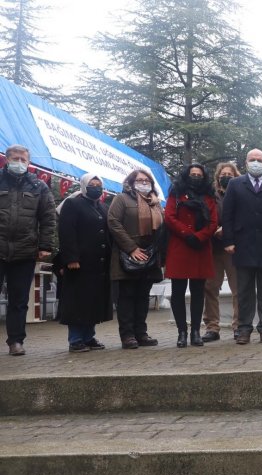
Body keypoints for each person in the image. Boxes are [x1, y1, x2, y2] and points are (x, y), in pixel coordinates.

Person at [222, 148, 262, 345]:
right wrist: (228, 241)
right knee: (244, 291)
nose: (256, 162)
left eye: (260, 160)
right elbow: (228, 215)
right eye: (253, 159)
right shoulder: (235, 184)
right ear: (245, 163)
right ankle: (244, 329)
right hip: (243, 245)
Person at [0, 145, 56, 356]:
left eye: (24, 159)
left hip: (24, 251)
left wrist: (45, 246)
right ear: (6, 159)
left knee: (19, 300)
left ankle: (16, 341)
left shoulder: (38, 186)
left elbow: (48, 217)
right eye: (16, 158)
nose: (20, 162)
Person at [108, 169, 164, 349]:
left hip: (150, 254)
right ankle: (127, 335)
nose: (143, 182)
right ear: (131, 182)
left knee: (142, 297)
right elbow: (113, 222)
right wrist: (131, 248)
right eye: (139, 180)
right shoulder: (121, 199)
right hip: (128, 254)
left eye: (147, 180)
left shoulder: (155, 202)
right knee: (126, 296)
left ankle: (141, 333)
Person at [164, 163, 218, 348]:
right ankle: (182, 332)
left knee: (198, 292)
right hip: (180, 246)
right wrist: (187, 234)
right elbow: (169, 216)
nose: (196, 177)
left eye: (199, 174)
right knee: (177, 291)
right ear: (186, 175)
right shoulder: (176, 194)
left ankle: (196, 331)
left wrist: (200, 236)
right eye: (192, 174)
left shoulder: (209, 197)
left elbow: (213, 221)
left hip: (200, 247)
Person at [57, 173, 112, 352]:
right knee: (77, 301)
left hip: (99, 264)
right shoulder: (72, 204)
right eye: (92, 184)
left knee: (93, 301)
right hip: (79, 263)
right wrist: (71, 258)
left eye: (98, 184)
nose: (96, 187)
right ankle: (75, 339)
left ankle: (89, 337)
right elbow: (66, 232)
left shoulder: (103, 207)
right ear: (83, 185)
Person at [202, 162, 241, 342]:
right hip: (213, 248)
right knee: (210, 288)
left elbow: (245, 217)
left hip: (235, 249)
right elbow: (203, 216)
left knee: (238, 289)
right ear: (218, 177)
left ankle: (239, 325)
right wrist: (213, 229)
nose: (226, 177)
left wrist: (227, 229)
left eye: (230, 174)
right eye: (223, 174)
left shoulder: (241, 193)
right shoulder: (210, 195)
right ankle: (212, 327)